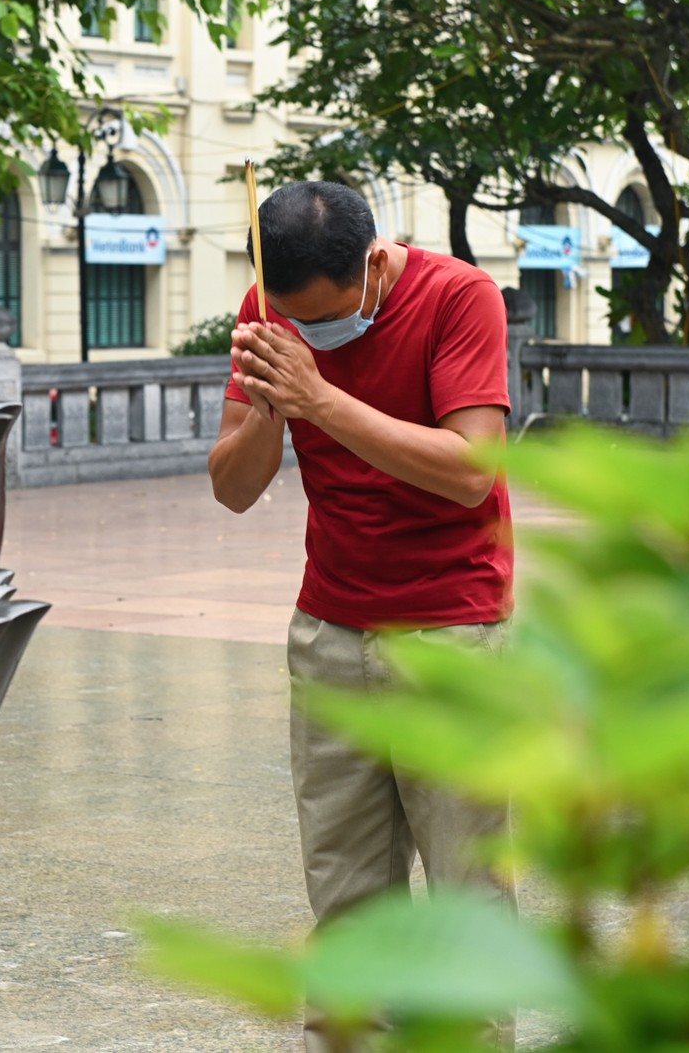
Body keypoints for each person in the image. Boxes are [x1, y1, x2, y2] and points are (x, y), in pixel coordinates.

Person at [207, 181, 512, 1051]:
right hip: (331, 631)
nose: (315, 332)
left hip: (452, 631)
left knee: (467, 897)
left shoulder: (460, 298)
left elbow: (469, 472)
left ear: (375, 264)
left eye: (331, 318)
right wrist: (270, 408)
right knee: (343, 899)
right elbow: (231, 489)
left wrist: (319, 397)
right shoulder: (272, 309)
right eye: (298, 319)